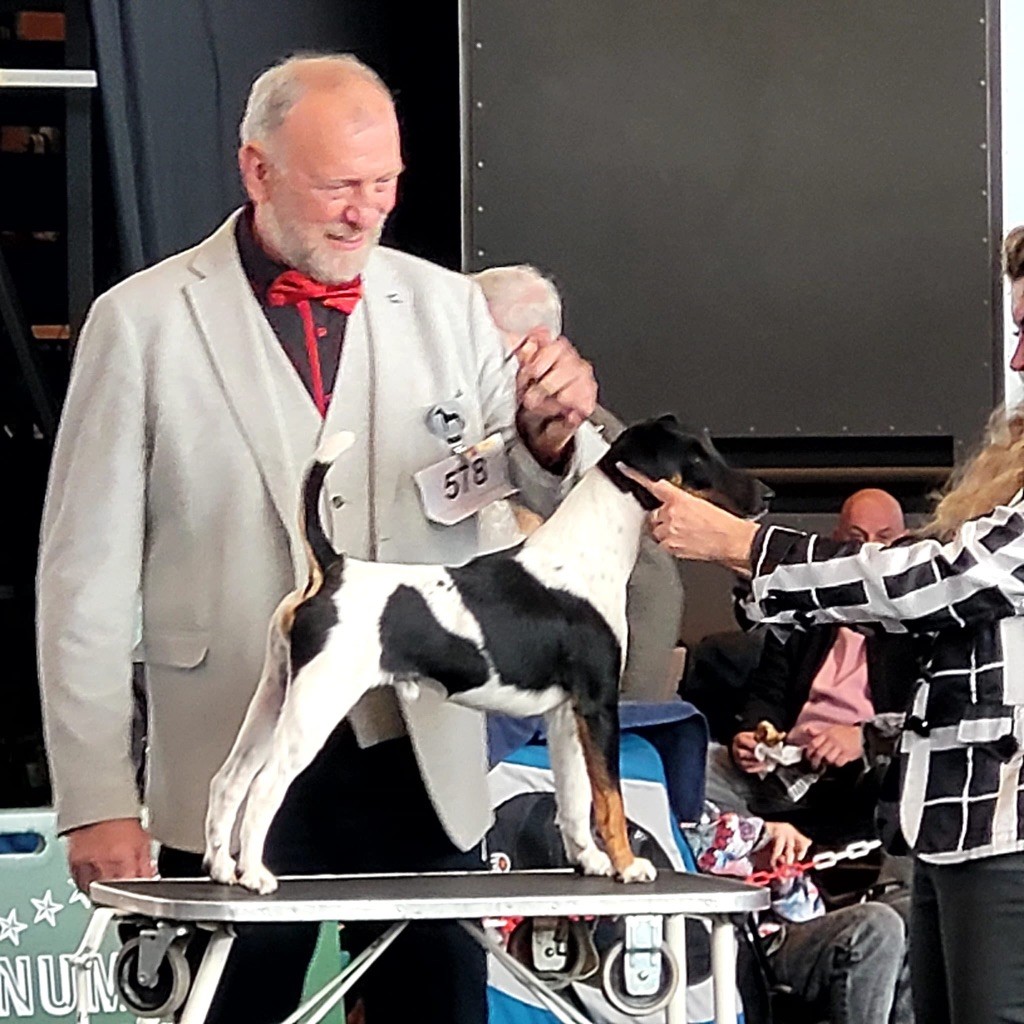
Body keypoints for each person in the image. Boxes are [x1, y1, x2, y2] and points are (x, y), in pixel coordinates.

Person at [36, 53, 600, 1024]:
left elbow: (516, 489)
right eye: (339, 184)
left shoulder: (449, 306)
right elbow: (81, 581)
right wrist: (95, 797)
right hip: (229, 757)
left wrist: (552, 436)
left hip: (423, 757)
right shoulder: (139, 324)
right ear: (255, 169)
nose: (365, 211)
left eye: (384, 185)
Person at [618, 228, 1024, 1024]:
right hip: (956, 822)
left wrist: (745, 545)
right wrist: (747, 562)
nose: (1016, 362)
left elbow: (940, 581)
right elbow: (907, 601)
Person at [471, 263, 686, 700]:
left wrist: (622, 714)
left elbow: (651, 582)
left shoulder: (602, 444)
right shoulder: (463, 419)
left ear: (533, 349)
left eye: (473, 346)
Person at [707, 488, 919, 839]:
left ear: (907, 543)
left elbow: (924, 716)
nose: (870, 551)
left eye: (884, 539)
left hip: (858, 773)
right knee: (696, 766)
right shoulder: (805, 617)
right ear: (835, 544)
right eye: (857, 539)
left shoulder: (921, 626)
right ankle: (753, 844)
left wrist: (862, 738)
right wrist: (750, 734)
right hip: (785, 760)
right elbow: (767, 692)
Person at [686, 807, 911, 1024]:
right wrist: (762, 835)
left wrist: (783, 882)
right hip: (735, 946)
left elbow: (807, 915)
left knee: (910, 915)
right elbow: (701, 838)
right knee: (875, 925)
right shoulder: (687, 814)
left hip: (777, 938)